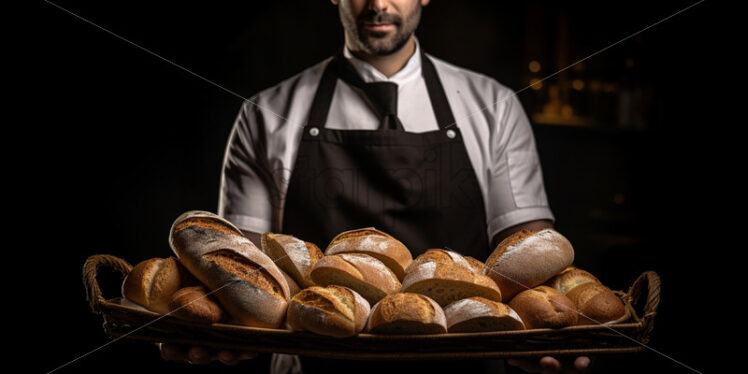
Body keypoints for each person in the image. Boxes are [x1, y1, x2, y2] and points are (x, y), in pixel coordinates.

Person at [160, 0, 592, 373]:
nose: (377, 4)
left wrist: (543, 333)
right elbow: (245, 267)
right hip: (313, 364)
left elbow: (532, 249)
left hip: (467, 365)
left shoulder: (493, 106)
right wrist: (219, 323)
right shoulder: (267, 112)